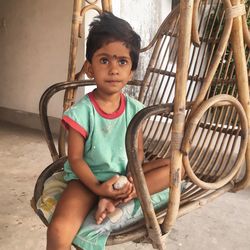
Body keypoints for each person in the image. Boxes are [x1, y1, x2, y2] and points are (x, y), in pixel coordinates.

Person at [46, 12, 183, 250]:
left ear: (131, 73)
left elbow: (137, 151)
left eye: (122, 62)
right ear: (89, 68)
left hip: (124, 175)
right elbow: (75, 159)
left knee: (175, 167)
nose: (113, 69)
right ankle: (107, 199)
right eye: (104, 60)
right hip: (86, 180)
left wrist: (130, 178)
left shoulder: (135, 110)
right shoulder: (80, 113)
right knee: (58, 230)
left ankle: (117, 200)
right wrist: (99, 188)